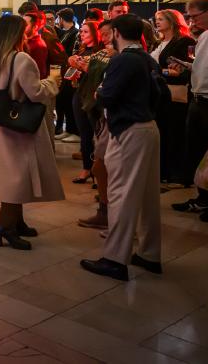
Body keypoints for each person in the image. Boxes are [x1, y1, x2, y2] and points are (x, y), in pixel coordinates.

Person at [81, 14, 163, 281]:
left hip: (127, 129)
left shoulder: (123, 60)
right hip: (147, 126)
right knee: (148, 195)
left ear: (116, 32)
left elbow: (107, 94)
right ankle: (149, 254)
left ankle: (115, 259)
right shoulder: (147, 58)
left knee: (121, 194)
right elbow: (159, 94)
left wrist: (99, 93)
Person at [0, 15, 63, 250]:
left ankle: (17, 221)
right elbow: (35, 93)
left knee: (13, 175)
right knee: (16, 178)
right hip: (18, 127)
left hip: (0, 124)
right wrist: (53, 81)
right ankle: (4, 227)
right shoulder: (21, 59)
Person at [172, 0, 208, 222]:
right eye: (188, 16)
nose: (192, 21)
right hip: (197, 99)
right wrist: (186, 66)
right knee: (197, 151)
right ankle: (202, 198)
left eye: (195, 16)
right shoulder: (204, 37)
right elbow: (203, 66)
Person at [75, 20, 117, 229]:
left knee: (104, 165)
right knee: (100, 163)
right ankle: (106, 208)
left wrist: (87, 68)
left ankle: (112, 213)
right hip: (103, 112)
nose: (105, 38)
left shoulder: (124, 57)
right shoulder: (105, 54)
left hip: (115, 117)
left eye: (108, 34)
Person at [152, 10, 193, 185]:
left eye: (161, 19)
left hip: (175, 95)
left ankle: (177, 173)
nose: (158, 22)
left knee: (174, 133)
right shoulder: (160, 42)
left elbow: (183, 71)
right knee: (164, 133)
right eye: (156, 20)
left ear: (173, 21)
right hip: (161, 94)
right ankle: (165, 171)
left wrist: (160, 71)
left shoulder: (184, 41)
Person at [67, 21, 102, 181]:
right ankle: (87, 168)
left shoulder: (102, 52)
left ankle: (99, 169)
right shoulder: (81, 50)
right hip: (80, 93)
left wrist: (86, 68)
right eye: (81, 31)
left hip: (94, 95)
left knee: (98, 133)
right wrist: (73, 69)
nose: (81, 34)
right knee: (84, 134)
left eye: (86, 32)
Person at [54, 9, 80, 141]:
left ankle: (74, 131)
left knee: (69, 101)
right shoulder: (67, 33)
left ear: (61, 19)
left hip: (70, 70)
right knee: (64, 101)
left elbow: (68, 52)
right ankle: (69, 129)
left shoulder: (75, 33)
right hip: (64, 70)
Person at [22, 12, 49, 79]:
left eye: (25, 25)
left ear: (35, 27)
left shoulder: (38, 45)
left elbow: (40, 73)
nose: (21, 27)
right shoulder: (25, 41)